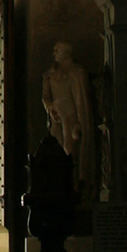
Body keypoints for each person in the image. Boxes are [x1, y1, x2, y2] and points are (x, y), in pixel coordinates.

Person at [40, 40, 92, 187]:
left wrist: (79, 121)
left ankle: (74, 184)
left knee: (70, 150)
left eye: (57, 50)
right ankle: (61, 184)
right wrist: (50, 107)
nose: (54, 52)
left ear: (67, 52)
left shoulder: (77, 73)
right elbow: (46, 97)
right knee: (58, 150)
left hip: (71, 117)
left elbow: (80, 99)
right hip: (56, 118)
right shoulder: (50, 75)